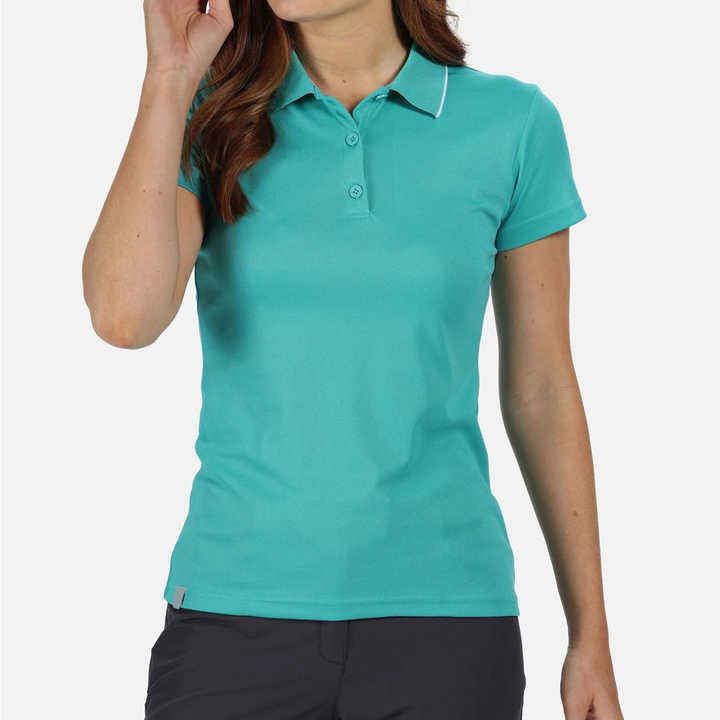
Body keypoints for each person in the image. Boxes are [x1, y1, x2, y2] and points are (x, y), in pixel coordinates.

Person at [82, 1, 623, 718]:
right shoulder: (209, 117)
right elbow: (123, 318)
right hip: (232, 616)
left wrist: (590, 636)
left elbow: (542, 388)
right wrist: (168, 78)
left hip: (447, 625)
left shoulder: (512, 123)